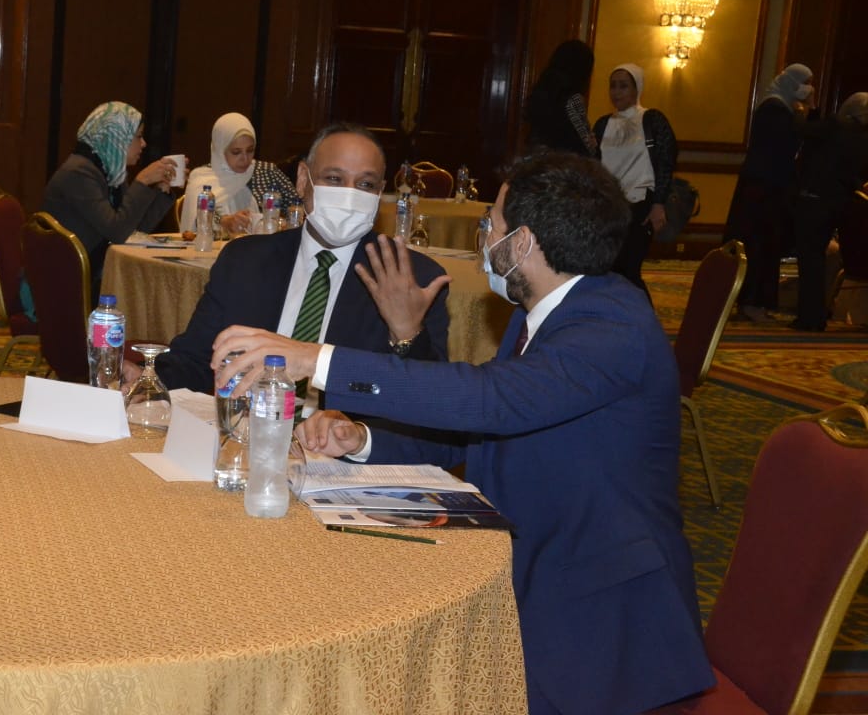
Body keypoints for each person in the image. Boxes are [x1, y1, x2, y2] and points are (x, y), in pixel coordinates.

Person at [211, 152, 713, 714]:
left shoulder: (612, 325)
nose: (485, 237)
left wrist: (317, 359)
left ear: (522, 242)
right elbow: (480, 425)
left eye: (491, 224)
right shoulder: (544, 312)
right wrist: (363, 440)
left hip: (599, 618)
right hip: (527, 562)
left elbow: (492, 400)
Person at [129, 122, 451, 409]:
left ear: (380, 193)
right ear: (302, 180)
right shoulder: (244, 260)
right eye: (334, 179)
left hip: (344, 450)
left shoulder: (412, 278)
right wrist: (146, 379)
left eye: (365, 185)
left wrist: (408, 335)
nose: (349, 196)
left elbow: (430, 403)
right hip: (246, 436)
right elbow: (198, 361)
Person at [42, 102, 176, 298]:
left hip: (93, 273)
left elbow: (133, 229)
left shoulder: (110, 172)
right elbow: (117, 232)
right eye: (138, 136)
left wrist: (161, 190)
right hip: (66, 283)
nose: (144, 144)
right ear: (116, 136)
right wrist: (142, 181)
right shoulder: (79, 172)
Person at [724, 63, 816, 322]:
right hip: (762, 191)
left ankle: (754, 303)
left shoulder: (782, 107)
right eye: (806, 83)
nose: (809, 89)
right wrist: (806, 110)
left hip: (768, 188)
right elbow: (787, 144)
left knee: (765, 245)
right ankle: (751, 302)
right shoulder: (774, 108)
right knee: (758, 245)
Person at [593, 62, 678, 293]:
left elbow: (665, 162)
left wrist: (658, 204)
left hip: (640, 205)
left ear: (637, 88)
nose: (616, 92)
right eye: (613, 86)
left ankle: (642, 314)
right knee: (609, 271)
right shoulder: (602, 124)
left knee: (629, 272)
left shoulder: (652, 120)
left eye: (623, 86)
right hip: (608, 208)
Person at [791, 92, 868, 330]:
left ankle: (810, 317)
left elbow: (804, 131)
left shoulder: (835, 124)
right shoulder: (863, 137)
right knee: (819, 258)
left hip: (815, 199)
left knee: (810, 260)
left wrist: (801, 109)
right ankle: (817, 314)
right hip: (838, 203)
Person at [178, 112, 302, 236]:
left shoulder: (267, 171)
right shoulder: (202, 178)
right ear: (220, 150)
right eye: (236, 152)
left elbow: (298, 206)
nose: (245, 158)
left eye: (250, 150)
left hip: (263, 245)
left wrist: (281, 223)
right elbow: (198, 217)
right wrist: (224, 221)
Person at [524, 40, 599, 156]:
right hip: (564, 163)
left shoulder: (541, 94)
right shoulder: (573, 99)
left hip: (540, 159)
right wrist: (595, 146)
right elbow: (587, 146)